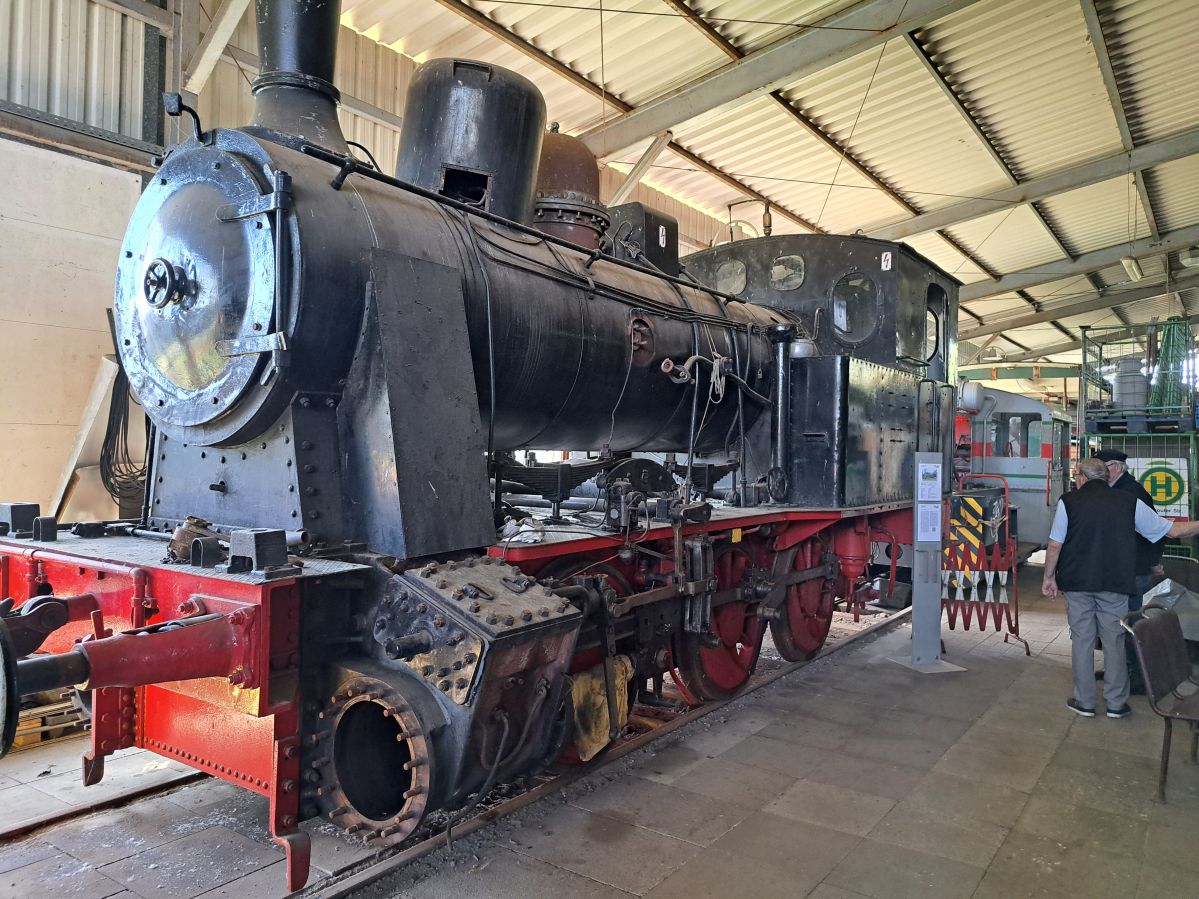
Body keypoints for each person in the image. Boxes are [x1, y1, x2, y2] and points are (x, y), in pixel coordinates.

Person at [1041, 457, 1199, 718]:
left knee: (1082, 640)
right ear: (1106, 477)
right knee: (1114, 639)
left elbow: (1055, 544)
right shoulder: (1129, 502)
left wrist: (1049, 577)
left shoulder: (1068, 502)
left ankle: (1085, 702)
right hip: (1115, 583)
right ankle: (1116, 703)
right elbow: (1171, 531)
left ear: (1082, 478)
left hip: (1077, 582)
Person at [1094, 449, 1164, 606]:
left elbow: (1155, 529)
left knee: (1132, 614)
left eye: (1103, 467)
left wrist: (1152, 562)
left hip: (1134, 569)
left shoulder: (1133, 493)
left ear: (1118, 467)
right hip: (1117, 568)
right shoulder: (1109, 490)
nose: (1099, 472)